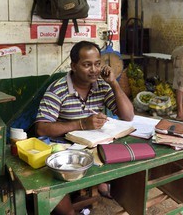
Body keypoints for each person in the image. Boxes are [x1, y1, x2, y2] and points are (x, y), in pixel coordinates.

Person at [35, 41, 134, 215]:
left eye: (97, 64)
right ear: (73, 66)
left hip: (94, 146)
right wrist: (81, 124)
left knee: (128, 156)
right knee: (52, 183)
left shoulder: (102, 86)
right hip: (64, 150)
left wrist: (114, 83)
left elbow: (128, 116)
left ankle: (102, 185)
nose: (94, 70)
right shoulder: (58, 90)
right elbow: (41, 129)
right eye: (87, 65)